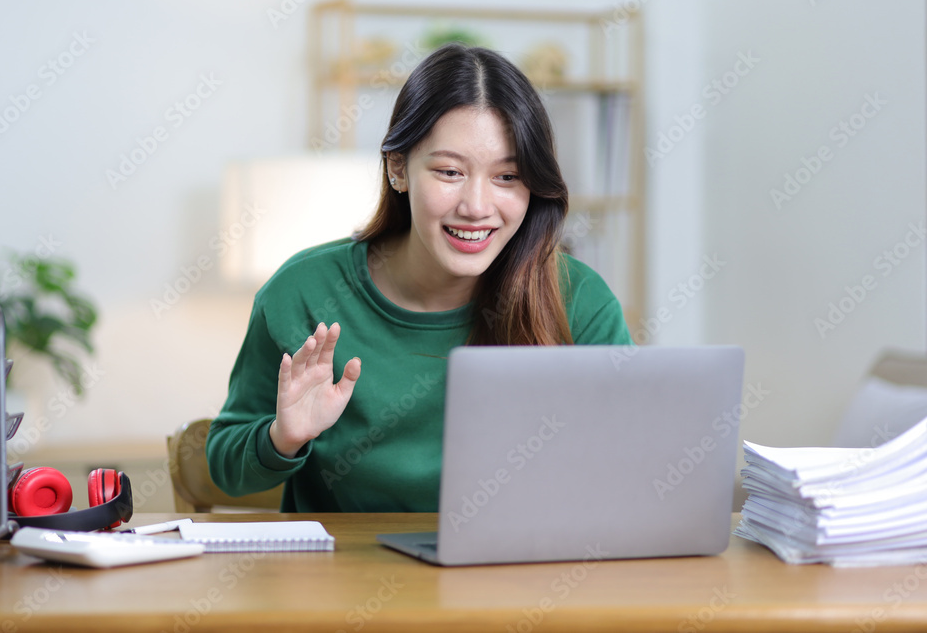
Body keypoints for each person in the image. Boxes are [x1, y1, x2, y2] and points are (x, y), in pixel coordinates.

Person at [206, 43, 632, 513]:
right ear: (397, 168)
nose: (476, 206)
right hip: (344, 580)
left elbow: (633, 465)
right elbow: (226, 470)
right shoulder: (303, 293)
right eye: (449, 171)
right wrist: (282, 437)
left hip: (516, 576)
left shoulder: (579, 301)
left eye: (507, 177)